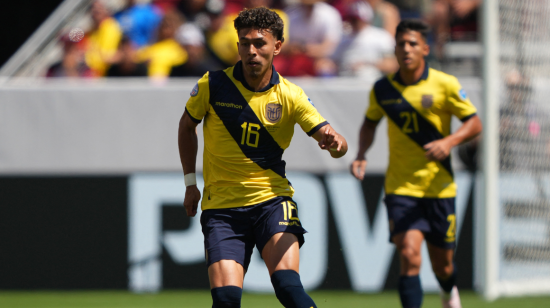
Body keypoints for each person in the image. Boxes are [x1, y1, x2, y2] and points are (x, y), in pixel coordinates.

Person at [178, 7, 348, 308]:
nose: (251, 51)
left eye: (260, 43)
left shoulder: (290, 95)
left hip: (272, 202)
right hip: (223, 208)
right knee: (227, 300)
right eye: (245, 43)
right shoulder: (213, 85)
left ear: (277, 46)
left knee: (287, 286)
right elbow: (186, 125)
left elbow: (333, 139)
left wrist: (335, 144)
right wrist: (190, 183)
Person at [350, 20, 481, 308]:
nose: (406, 49)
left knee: (443, 266)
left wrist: (449, 142)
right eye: (401, 44)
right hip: (401, 187)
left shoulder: (445, 84)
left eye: (412, 44)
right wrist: (360, 153)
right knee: (409, 255)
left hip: (439, 188)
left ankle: (448, 291)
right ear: (394, 50)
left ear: (425, 48)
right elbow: (369, 124)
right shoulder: (383, 89)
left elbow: (474, 123)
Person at [332, 0, 398, 83]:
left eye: (357, 20)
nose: (354, 23)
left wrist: (366, 64)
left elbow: (392, 65)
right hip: (344, 82)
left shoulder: (381, 37)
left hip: (370, 82)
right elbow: (332, 62)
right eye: (351, 19)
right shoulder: (342, 38)